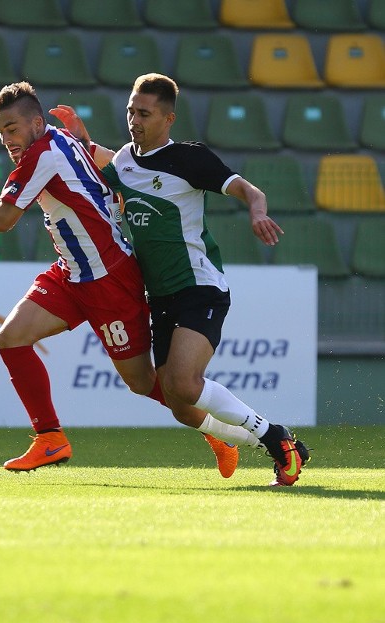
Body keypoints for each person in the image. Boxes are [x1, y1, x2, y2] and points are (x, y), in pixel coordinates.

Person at [0, 81, 247, 477]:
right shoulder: (59, 139)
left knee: (143, 382)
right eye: (0, 132)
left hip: (108, 278)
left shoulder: (42, 155)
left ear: (37, 122)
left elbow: (5, 220)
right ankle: (50, 438)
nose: (7, 139)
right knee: (10, 338)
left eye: (13, 128)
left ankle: (217, 432)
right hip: (72, 272)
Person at [50, 72, 310, 486]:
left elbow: (250, 191)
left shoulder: (190, 158)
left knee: (184, 385)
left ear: (168, 118)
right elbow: (105, 163)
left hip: (199, 286)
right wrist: (81, 139)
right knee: (178, 402)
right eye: (131, 111)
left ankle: (276, 438)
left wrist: (257, 211)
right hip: (161, 296)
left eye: (145, 113)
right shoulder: (124, 160)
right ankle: (265, 438)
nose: (135, 120)